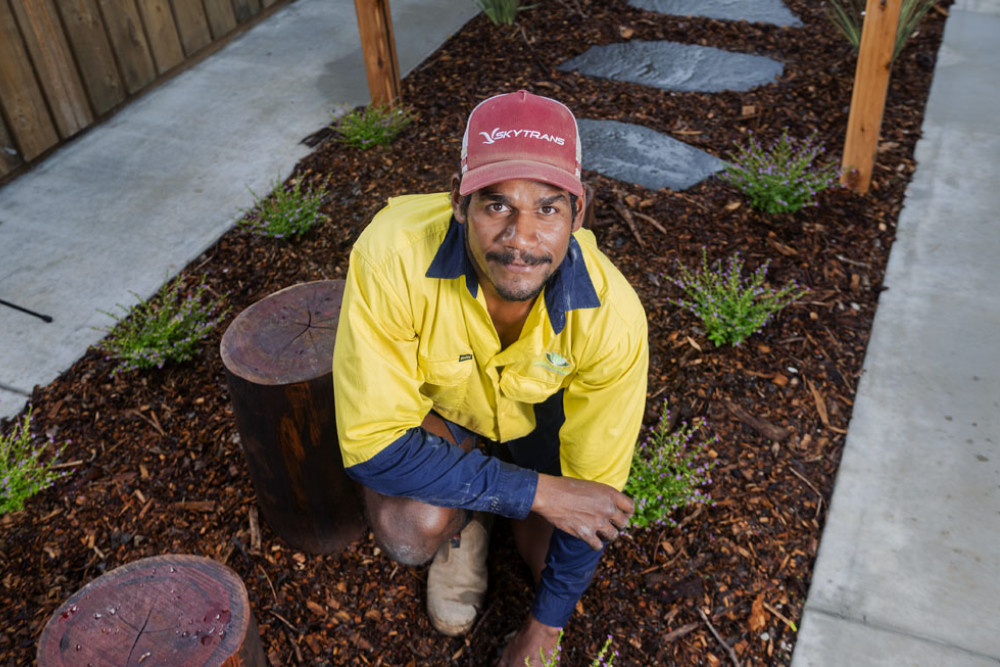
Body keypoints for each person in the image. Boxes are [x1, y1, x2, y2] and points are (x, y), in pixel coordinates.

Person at [332, 90, 648, 665]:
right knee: (410, 530)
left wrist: (544, 630)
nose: (521, 238)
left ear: (582, 212)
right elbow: (372, 445)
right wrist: (544, 494)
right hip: (443, 416)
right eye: (496, 205)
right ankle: (464, 524)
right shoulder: (392, 255)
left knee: (554, 556)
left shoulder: (614, 319)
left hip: (535, 428)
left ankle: (481, 498)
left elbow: (596, 496)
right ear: (459, 201)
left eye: (549, 208)